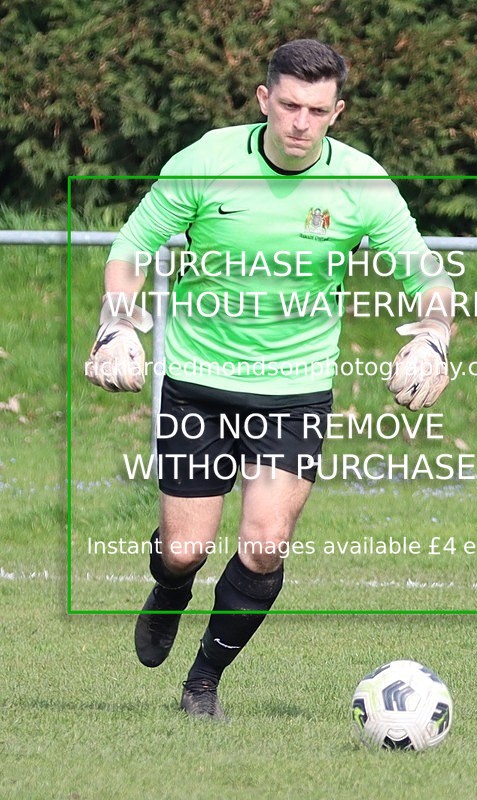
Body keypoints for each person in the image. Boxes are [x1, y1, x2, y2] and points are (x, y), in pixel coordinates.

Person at [85, 39, 454, 719]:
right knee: (185, 549)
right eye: (288, 105)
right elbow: (132, 247)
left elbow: (425, 274)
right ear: (264, 100)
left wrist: (435, 335)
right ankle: (170, 586)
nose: (300, 122)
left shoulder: (362, 183)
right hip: (199, 380)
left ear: (336, 111)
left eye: (316, 109)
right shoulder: (207, 163)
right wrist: (118, 323)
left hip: (294, 390)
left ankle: (202, 683)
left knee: (263, 545)